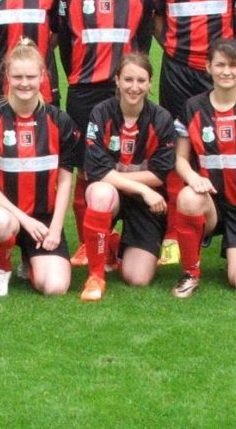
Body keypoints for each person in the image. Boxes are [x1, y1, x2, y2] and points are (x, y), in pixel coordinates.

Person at [151, 0, 236, 265]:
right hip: (178, 70)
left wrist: (226, 63)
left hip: (221, 73)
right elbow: (157, 21)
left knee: (227, 144)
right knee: (180, 145)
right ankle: (177, 230)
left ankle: (225, 223)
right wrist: (174, 50)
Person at [57, 0, 153, 268]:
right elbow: (67, 44)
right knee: (86, 167)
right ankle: (88, 242)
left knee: (122, 160)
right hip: (84, 89)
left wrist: (128, 77)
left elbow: (142, 42)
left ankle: (125, 233)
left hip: (124, 91)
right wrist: (82, 73)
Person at [0, 40, 80, 297]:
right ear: (7, 76)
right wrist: (24, 220)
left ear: (43, 76)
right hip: (3, 216)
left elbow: (65, 182)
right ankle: (1, 268)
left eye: (31, 76)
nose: (24, 83)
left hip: (42, 220)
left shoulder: (59, 121)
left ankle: (30, 261)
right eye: (17, 76)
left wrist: (54, 227)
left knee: (55, 288)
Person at [171, 39, 236, 298]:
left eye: (233, 65)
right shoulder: (193, 107)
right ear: (208, 67)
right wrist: (193, 177)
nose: (226, 71)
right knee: (188, 197)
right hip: (212, 205)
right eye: (220, 64)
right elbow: (180, 159)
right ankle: (190, 273)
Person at [79, 53, 175, 301]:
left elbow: (160, 173)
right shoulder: (101, 113)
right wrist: (142, 188)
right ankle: (96, 275)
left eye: (141, 80)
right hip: (118, 195)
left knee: (138, 279)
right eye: (128, 79)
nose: (134, 87)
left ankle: (114, 248)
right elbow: (97, 170)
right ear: (117, 81)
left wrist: (123, 179)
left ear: (150, 83)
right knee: (101, 192)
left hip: (145, 204)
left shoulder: (161, 118)